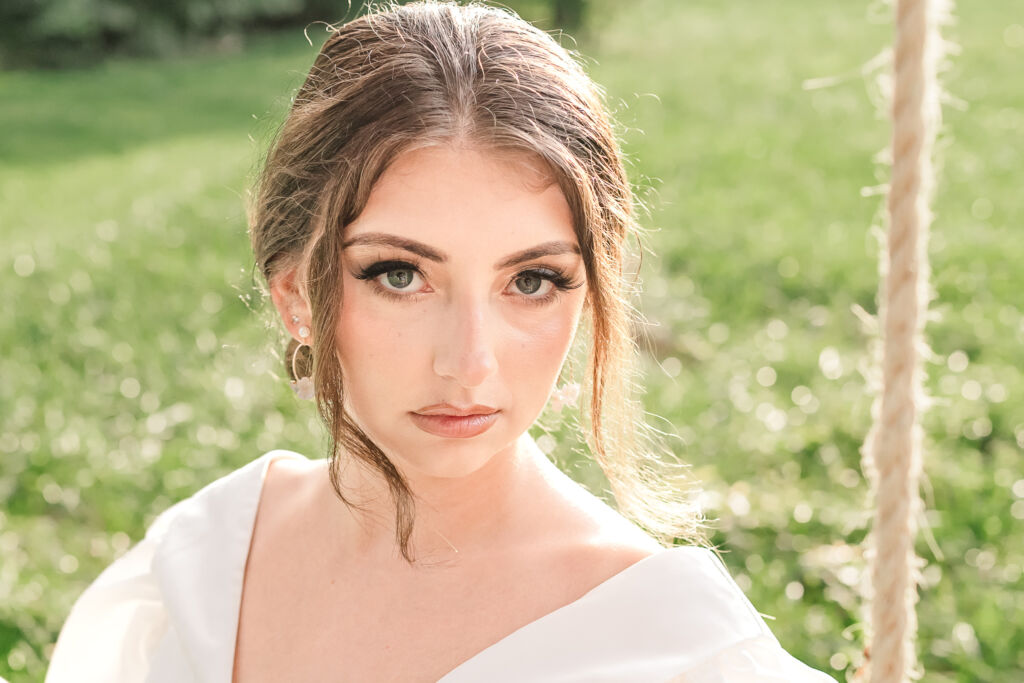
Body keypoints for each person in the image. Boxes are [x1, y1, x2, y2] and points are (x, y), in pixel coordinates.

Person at [46, 1, 838, 681]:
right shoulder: (201, 565)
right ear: (295, 293)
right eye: (398, 274)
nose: (469, 362)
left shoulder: (671, 649)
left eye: (531, 281)